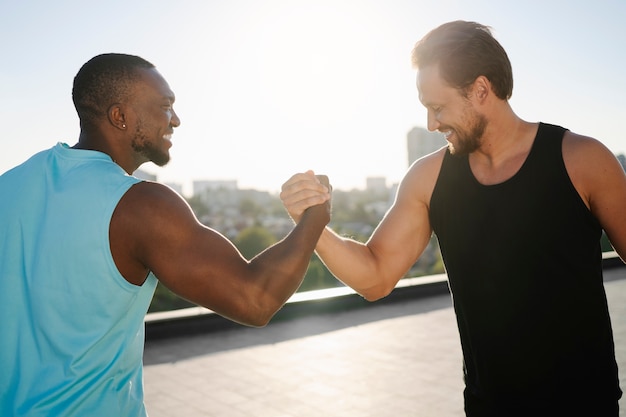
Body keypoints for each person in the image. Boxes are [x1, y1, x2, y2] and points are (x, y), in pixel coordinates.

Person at [280, 21, 626, 416]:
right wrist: (314, 225)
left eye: (438, 107)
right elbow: (375, 277)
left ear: (481, 90)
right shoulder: (428, 179)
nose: (431, 123)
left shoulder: (582, 159)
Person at [0, 53, 331, 417]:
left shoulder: (10, 185)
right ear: (120, 116)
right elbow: (255, 299)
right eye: (165, 106)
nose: (175, 119)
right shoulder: (140, 205)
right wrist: (316, 216)